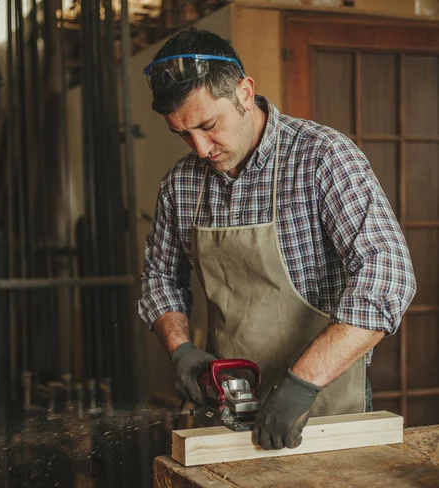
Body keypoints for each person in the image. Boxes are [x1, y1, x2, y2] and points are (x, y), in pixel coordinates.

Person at [138, 27, 416, 451]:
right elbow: (160, 277)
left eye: (209, 125)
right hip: (227, 413)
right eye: (182, 134)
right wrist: (182, 351)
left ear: (245, 93)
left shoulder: (322, 157)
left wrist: (302, 385)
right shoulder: (180, 185)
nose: (199, 148)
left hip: (323, 412)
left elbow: (388, 277)